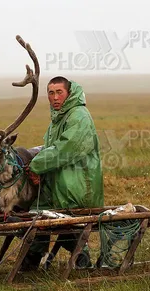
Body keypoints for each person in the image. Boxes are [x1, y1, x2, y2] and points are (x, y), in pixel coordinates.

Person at [21, 76, 104, 271]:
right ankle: (30, 265)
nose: (55, 97)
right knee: (36, 216)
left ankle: (82, 263)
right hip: (58, 187)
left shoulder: (78, 116)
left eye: (59, 92)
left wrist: (35, 165)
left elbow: (65, 149)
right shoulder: (58, 119)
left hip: (77, 188)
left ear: (69, 93)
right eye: (51, 93)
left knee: (60, 223)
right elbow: (49, 147)